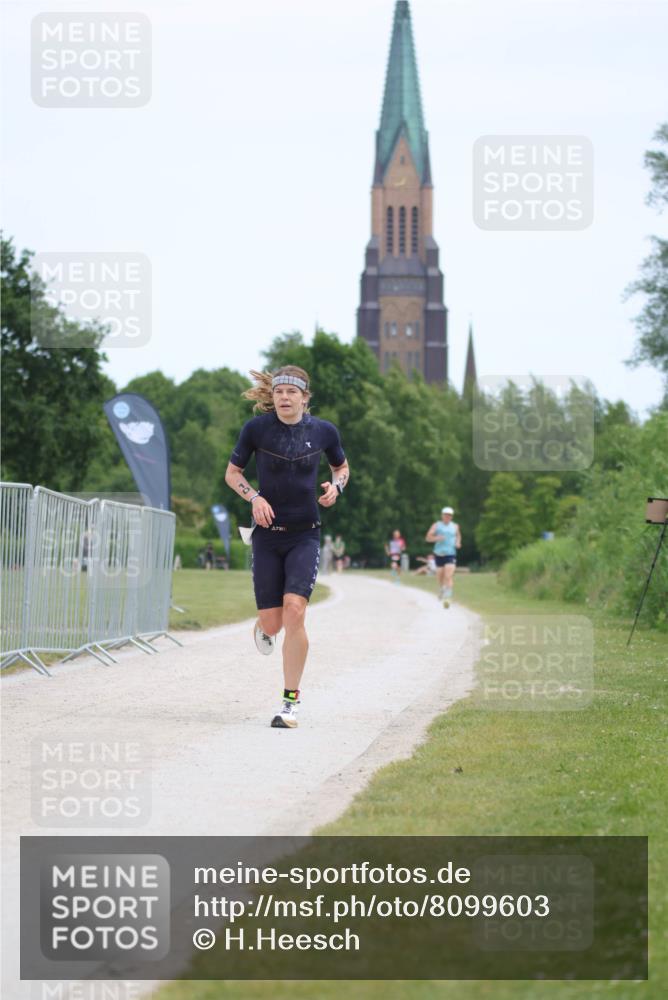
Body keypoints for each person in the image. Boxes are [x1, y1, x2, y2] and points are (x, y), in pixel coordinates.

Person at [225, 365, 349, 729]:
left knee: (295, 610)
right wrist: (254, 497)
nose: (283, 397)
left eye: (291, 392)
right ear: (272, 396)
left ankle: (289, 704)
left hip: (304, 533)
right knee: (274, 622)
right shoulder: (257, 430)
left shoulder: (324, 431)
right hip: (266, 535)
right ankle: (263, 626)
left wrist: (336, 488)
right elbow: (233, 474)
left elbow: (341, 468)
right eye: (278, 391)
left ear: (304, 398)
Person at [425, 506, 462, 608]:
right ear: (442, 515)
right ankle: (442, 589)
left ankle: (447, 598)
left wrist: (458, 542)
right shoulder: (436, 525)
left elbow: (458, 535)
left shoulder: (455, 526)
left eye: (449, 515)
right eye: (446, 515)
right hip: (439, 554)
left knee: (448, 575)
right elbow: (428, 538)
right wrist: (437, 538)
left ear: (452, 516)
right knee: (440, 576)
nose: (447, 517)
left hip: (451, 554)